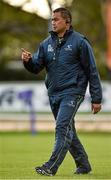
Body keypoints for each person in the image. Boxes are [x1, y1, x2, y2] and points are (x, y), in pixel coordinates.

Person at [21, 7, 102, 176]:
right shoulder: (45, 44)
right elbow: (36, 67)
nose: (53, 22)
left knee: (62, 127)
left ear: (67, 22)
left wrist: (96, 98)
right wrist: (28, 61)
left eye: (56, 19)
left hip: (73, 92)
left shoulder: (80, 42)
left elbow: (92, 70)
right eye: (52, 19)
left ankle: (51, 166)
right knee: (67, 130)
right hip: (53, 94)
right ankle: (84, 165)